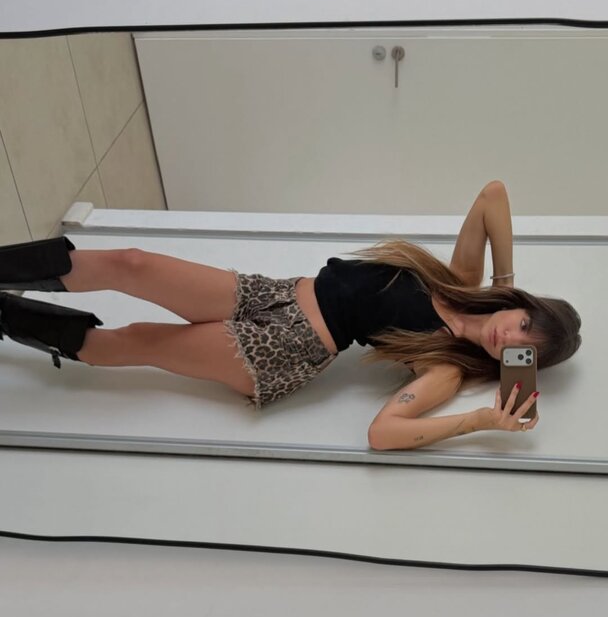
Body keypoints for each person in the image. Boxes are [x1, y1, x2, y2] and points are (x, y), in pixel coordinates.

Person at [0, 181, 581, 451]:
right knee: (132, 262)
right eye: (524, 323)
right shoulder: (461, 280)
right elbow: (493, 196)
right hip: (271, 293)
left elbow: (383, 433)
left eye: (522, 349)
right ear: (522, 306)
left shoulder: (446, 369)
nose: (510, 335)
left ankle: (6, 316)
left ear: (517, 362)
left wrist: (479, 420)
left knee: (138, 339)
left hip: (281, 353)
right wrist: (505, 283)